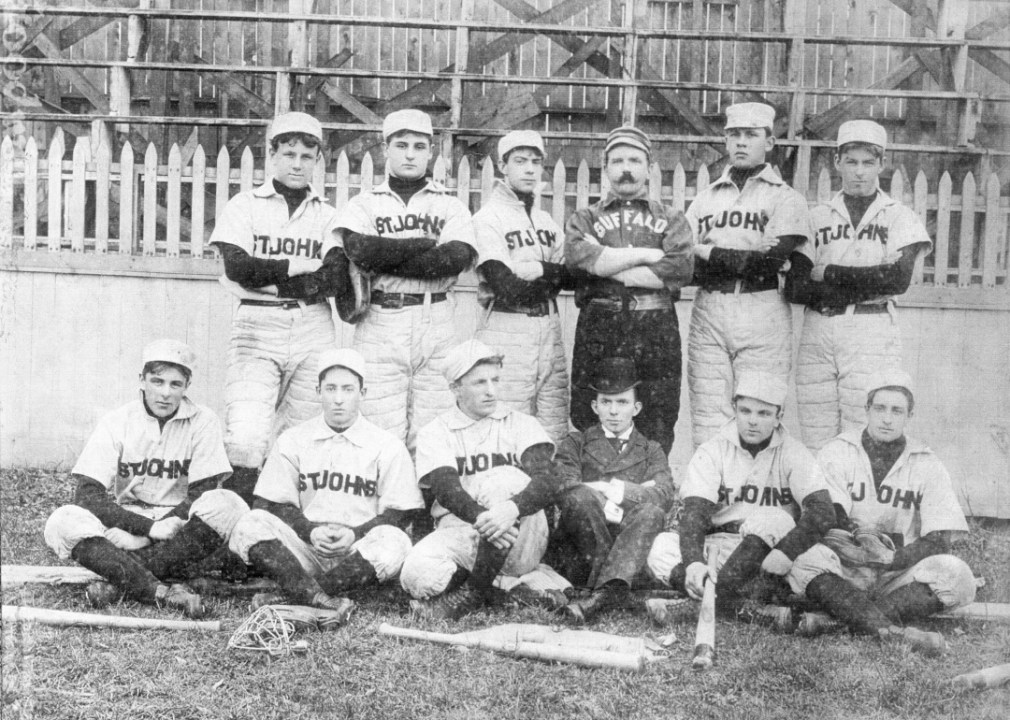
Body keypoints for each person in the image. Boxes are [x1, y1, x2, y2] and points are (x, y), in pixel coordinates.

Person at [44, 340, 246, 617]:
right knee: (62, 520)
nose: (165, 393)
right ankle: (162, 591)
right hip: (129, 520)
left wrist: (146, 538)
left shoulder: (203, 420)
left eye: (175, 384)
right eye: (157, 381)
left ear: (187, 385)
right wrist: (145, 529)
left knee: (228, 503)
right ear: (142, 380)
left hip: (181, 525)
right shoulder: (118, 421)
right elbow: (88, 494)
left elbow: (204, 491)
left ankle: (120, 580)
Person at [784, 369, 975, 655]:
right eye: (880, 408)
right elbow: (829, 515)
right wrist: (857, 543)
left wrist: (894, 558)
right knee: (803, 560)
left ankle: (836, 620)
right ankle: (894, 633)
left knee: (958, 575)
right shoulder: (838, 450)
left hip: (896, 575)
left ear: (909, 415)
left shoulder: (926, 462)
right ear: (867, 409)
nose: (887, 418)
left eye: (897, 410)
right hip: (846, 569)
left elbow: (940, 539)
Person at [322, 109, 477, 451]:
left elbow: (452, 260)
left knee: (434, 425)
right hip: (380, 318)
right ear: (385, 148)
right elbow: (360, 250)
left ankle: (424, 503)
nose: (410, 154)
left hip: (436, 319)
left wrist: (386, 256)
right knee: (378, 422)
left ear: (431, 152)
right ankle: (386, 503)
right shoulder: (364, 203)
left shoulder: (450, 205)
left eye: (419, 146)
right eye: (401, 144)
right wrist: (423, 245)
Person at [228, 348, 423, 616]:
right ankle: (317, 593)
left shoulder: (386, 445)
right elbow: (273, 503)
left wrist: (357, 533)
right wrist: (308, 531)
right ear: (318, 391)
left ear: (362, 393)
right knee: (249, 523)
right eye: (330, 389)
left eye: (348, 389)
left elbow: (400, 514)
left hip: (358, 550)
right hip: (305, 549)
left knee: (396, 541)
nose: (339, 399)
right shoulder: (294, 439)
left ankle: (298, 593)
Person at [210, 111, 342, 504]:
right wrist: (298, 267)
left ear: (319, 159)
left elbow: (331, 280)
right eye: (288, 153)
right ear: (271, 154)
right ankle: (233, 533)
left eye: (306, 155)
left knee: (299, 433)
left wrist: (267, 278)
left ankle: (281, 524)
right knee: (247, 432)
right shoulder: (245, 204)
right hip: (256, 324)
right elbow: (238, 267)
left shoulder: (329, 214)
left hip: (313, 324)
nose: (297, 163)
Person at [400, 340, 569, 620]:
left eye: (495, 380)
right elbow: (446, 490)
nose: (491, 391)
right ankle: (505, 589)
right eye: (479, 382)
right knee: (415, 576)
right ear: (455, 388)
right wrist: (489, 521)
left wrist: (509, 510)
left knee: (500, 481)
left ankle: (474, 591)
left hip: (520, 535)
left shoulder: (520, 423)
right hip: (462, 532)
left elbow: (548, 480)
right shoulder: (436, 432)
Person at [790, 120, 932, 451]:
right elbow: (796, 288)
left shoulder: (898, 216)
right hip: (819, 328)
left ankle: (855, 502)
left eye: (868, 163)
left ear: (881, 165)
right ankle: (824, 502)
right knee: (816, 427)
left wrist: (827, 273)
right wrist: (867, 277)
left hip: (871, 326)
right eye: (851, 162)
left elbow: (896, 280)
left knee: (862, 425)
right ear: (837, 162)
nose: (859, 172)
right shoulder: (817, 216)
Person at [647, 371, 836, 616]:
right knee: (662, 546)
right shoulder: (713, 450)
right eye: (745, 411)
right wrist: (694, 562)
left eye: (764, 413)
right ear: (734, 409)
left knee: (773, 517)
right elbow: (694, 512)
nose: (753, 421)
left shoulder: (794, 452)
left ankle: (708, 602)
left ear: (779, 416)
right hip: (724, 546)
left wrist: (786, 552)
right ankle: (741, 605)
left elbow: (823, 511)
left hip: (773, 550)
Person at [685, 102, 811, 448]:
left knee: (758, 407)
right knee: (708, 413)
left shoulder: (786, 198)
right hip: (710, 306)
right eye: (734, 135)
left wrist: (707, 251)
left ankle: (757, 496)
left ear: (769, 142)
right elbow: (684, 266)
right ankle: (708, 497)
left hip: (763, 308)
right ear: (726, 141)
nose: (741, 143)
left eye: (751, 135)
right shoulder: (705, 200)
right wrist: (747, 255)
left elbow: (767, 264)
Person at [564, 126, 694, 454]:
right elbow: (578, 258)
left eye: (635, 160)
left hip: (655, 325)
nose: (626, 168)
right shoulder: (585, 218)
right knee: (592, 407)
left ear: (649, 168)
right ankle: (598, 491)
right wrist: (648, 256)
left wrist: (608, 264)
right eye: (618, 160)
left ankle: (650, 493)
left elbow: (679, 269)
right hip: (600, 322)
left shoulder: (672, 218)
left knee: (658, 411)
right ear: (605, 167)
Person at [472, 129, 580, 442]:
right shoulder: (488, 218)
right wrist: (554, 274)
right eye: (520, 161)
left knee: (553, 426)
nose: (530, 169)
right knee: (504, 424)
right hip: (507, 324)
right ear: (503, 166)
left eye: (535, 161)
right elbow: (507, 286)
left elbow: (576, 274)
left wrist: (537, 269)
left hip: (548, 327)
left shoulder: (546, 220)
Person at [551, 358, 675, 623]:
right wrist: (615, 498)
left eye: (622, 402)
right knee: (580, 497)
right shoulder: (577, 441)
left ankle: (599, 598)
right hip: (583, 551)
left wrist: (617, 490)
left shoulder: (651, 449)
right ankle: (618, 587)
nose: (614, 411)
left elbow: (664, 495)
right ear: (595, 406)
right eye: (606, 402)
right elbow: (563, 485)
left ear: (637, 407)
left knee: (652, 511)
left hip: (631, 545)